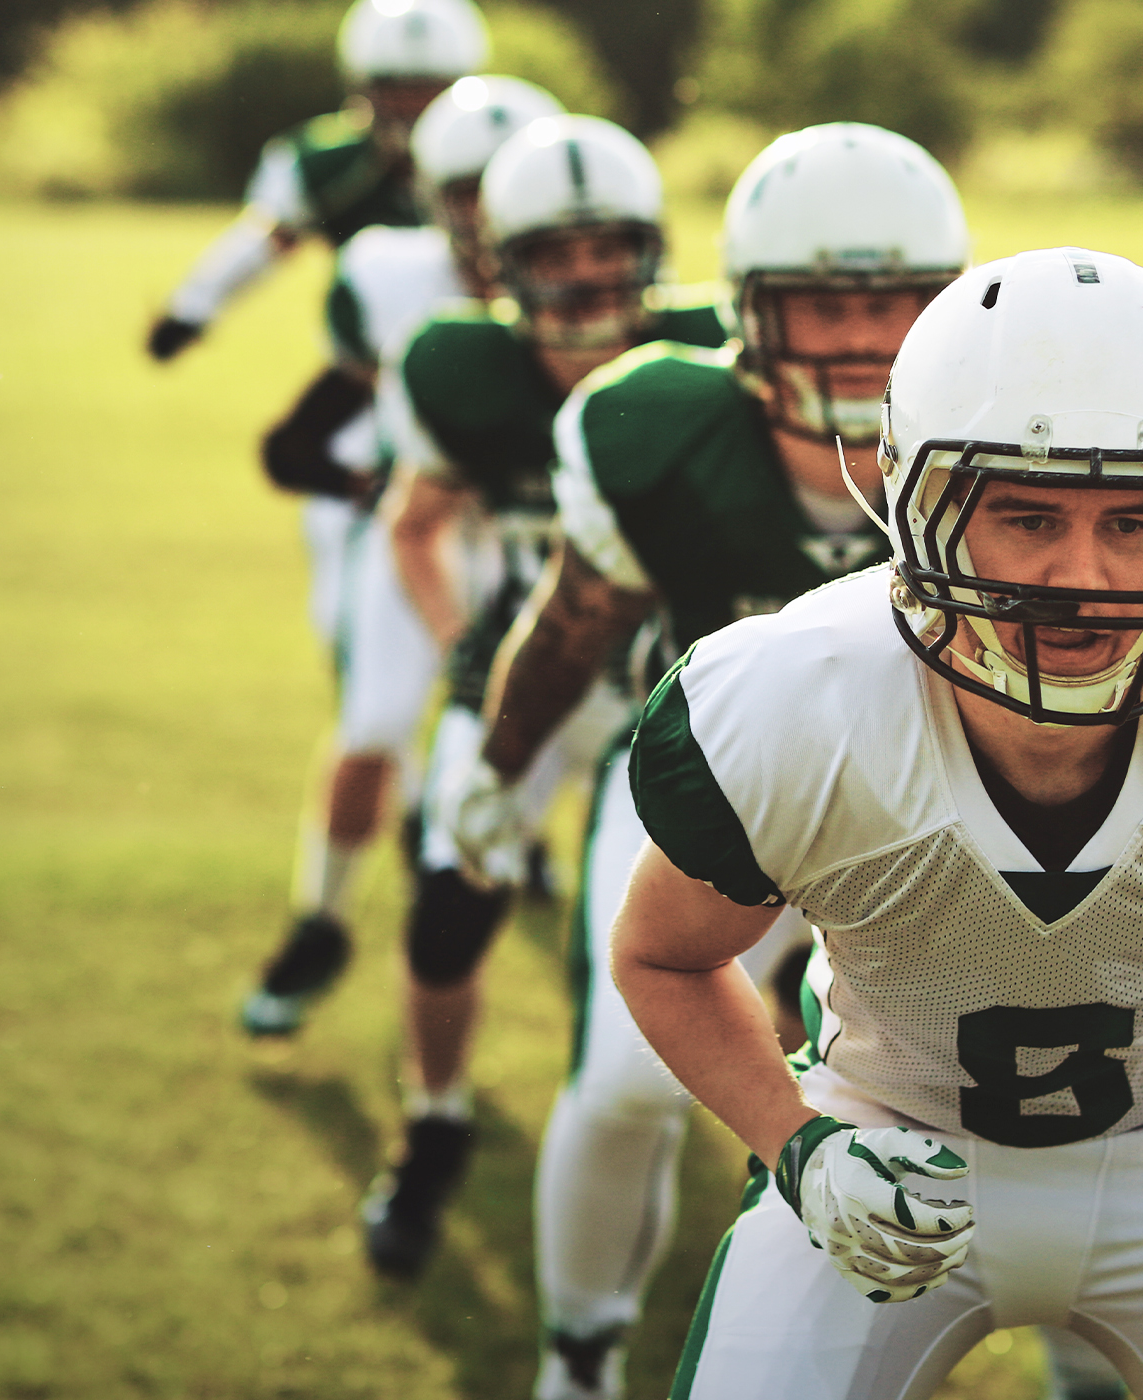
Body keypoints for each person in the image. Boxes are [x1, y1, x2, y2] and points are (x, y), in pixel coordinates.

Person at [606, 245, 1143, 1399]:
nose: (1085, 574)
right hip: (885, 1135)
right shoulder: (800, 698)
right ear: (923, 509)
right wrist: (801, 1147)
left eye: (1135, 520)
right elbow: (659, 955)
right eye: (1026, 515)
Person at [444, 122, 946, 1396]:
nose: (855, 337)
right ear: (751, 313)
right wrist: (500, 767)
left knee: (1013, 1099)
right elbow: (573, 622)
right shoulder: (652, 426)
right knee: (622, 1082)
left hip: (950, 805)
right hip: (720, 787)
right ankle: (582, 1341)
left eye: (890, 300)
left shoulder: (1014, 428)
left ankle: (1080, 1338)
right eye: (822, 302)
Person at [352, 114, 732, 1282]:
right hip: (527, 674)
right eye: (553, 251)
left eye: (605, 245)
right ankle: (436, 1118)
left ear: (650, 247)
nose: (581, 275)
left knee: (673, 939)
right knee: (448, 905)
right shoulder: (459, 366)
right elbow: (415, 524)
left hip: (666, 693)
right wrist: (472, 649)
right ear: (496, 258)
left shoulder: (709, 351)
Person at [155, 0, 488, 1028]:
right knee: (377, 713)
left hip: (511, 487)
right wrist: (196, 304)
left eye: (433, 91)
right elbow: (270, 239)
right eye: (400, 88)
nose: (418, 109)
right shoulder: (360, 225)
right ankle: (330, 910)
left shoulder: (506, 158)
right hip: (381, 462)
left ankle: (474, 830)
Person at [237, 72, 570, 1040]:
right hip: (418, 528)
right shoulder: (388, 275)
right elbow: (344, 394)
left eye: (500, 186)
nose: (483, 214)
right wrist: (311, 448)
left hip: (538, 543)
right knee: (375, 722)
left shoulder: (586, 284)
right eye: (464, 189)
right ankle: (322, 919)